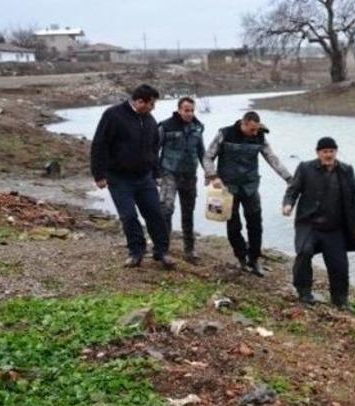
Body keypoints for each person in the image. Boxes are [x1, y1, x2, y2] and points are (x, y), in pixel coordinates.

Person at [90, 84, 174, 269]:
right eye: (151, 104)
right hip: (119, 178)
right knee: (128, 216)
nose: (153, 108)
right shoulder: (113, 115)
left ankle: (161, 252)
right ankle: (136, 252)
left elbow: (154, 149)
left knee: (155, 214)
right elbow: (99, 144)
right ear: (139, 101)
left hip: (145, 178)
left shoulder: (150, 120)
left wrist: (156, 174)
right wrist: (99, 174)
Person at [202, 111, 292, 276]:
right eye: (251, 129)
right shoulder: (225, 133)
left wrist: (288, 178)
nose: (254, 133)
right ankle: (241, 257)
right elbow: (207, 157)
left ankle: (254, 259)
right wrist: (213, 176)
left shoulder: (260, 137)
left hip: (250, 186)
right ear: (243, 124)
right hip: (227, 189)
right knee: (234, 225)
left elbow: (273, 159)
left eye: (256, 129)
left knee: (255, 224)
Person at [283, 137, 355, 310]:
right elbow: (293, 190)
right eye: (325, 152)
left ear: (336, 152)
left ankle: (340, 299)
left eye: (331, 151)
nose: (328, 155)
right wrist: (288, 204)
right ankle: (304, 291)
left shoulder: (346, 170)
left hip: (334, 227)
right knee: (304, 253)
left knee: (339, 264)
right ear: (318, 153)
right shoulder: (305, 168)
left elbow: (354, 199)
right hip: (309, 224)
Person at [158, 96, 205, 264]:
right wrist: (155, 174)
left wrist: (210, 173)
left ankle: (190, 250)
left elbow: (202, 152)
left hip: (190, 175)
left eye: (192, 110)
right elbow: (154, 149)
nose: (190, 113)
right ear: (179, 110)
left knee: (188, 212)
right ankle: (162, 250)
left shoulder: (198, 127)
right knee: (166, 209)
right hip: (169, 173)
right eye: (186, 110)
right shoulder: (166, 126)